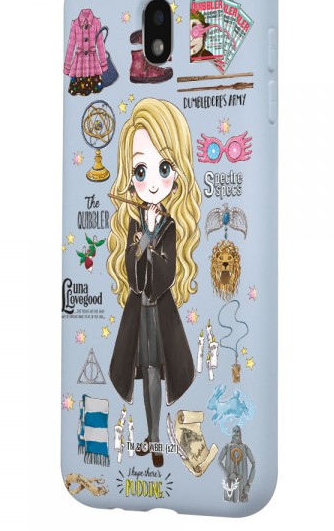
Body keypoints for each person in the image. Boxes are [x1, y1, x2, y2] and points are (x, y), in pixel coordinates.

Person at [106, 98, 202, 467]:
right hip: (139, 311)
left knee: (157, 373)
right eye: (140, 170)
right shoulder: (133, 223)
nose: (151, 182)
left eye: (163, 168)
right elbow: (132, 275)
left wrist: (148, 242)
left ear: (176, 174)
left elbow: (167, 274)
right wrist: (142, 241)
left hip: (161, 311)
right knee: (145, 372)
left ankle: (156, 439)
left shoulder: (169, 225)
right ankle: (153, 437)